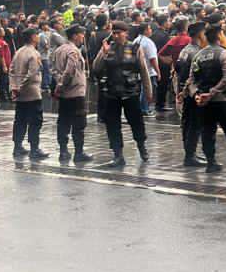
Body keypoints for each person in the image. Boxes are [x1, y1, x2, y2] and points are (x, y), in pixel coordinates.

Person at [93, 20, 151, 168]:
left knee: (136, 122)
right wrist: (103, 53)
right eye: (114, 33)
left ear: (126, 33)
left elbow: (143, 71)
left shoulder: (135, 48)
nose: (116, 35)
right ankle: (118, 154)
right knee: (112, 124)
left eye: (119, 33)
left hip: (130, 92)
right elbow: (96, 68)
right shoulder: (108, 48)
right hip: (112, 93)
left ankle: (141, 146)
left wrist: (148, 91)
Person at [186, 24, 226, 174]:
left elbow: (191, 80)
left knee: (207, 132)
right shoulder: (224, 54)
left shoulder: (199, 55)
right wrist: (212, 93)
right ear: (219, 36)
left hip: (204, 103)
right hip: (222, 101)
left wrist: (197, 95)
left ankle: (211, 163)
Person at [52, 24, 93, 163]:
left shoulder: (59, 50)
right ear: (75, 35)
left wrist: (58, 85)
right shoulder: (73, 51)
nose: (83, 37)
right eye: (81, 34)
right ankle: (79, 153)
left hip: (64, 95)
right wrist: (62, 85)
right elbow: (69, 71)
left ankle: (63, 151)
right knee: (78, 123)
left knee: (63, 122)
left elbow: (54, 71)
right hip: (75, 93)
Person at [9, 27, 48, 160]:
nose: (38, 36)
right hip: (31, 92)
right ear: (32, 37)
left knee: (20, 120)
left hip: (20, 94)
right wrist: (20, 86)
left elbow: (12, 70)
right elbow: (32, 74)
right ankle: (34, 148)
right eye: (37, 35)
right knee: (35, 121)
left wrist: (14, 87)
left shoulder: (18, 52)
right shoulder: (34, 53)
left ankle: (17, 146)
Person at [174, 20, 205, 166]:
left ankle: (190, 153)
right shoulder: (197, 52)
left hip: (184, 90)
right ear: (200, 34)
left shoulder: (185, 50)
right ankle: (190, 155)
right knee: (194, 123)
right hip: (193, 91)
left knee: (187, 123)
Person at [133, 21, 160, 116]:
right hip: (149, 71)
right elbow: (152, 59)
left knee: (141, 90)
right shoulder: (148, 43)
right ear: (145, 30)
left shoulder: (136, 40)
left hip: (139, 71)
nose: (150, 30)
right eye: (149, 28)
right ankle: (144, 108)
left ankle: (142, 107)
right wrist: (158, 72)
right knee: (147, 90)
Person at [0, 27, 12, 104]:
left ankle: (6, 95)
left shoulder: (2, 41)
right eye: (2, 31)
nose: (4, 32)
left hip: (6, 64)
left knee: (5, 80)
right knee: (3, 81)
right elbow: (1, 55)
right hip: (2, 65)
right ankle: (3, 97)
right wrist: (4, 66)